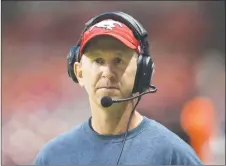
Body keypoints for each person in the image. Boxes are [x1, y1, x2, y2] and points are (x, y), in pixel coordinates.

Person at [34, 12, 203, 165]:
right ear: (78, 72)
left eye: (118, 61)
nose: (107, 72)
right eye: (98, 60)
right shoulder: (52, 157)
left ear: (142, 72)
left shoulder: (173, 156)